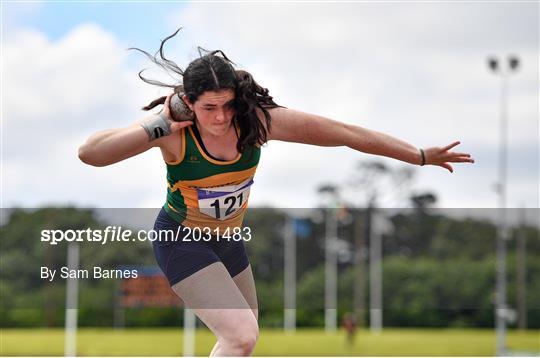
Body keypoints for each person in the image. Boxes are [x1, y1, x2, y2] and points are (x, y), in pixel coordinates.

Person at [78, 29, 474, 357]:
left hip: (228, 242)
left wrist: (418, 155)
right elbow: (90, 153)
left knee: (242, 342)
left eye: (228, 105)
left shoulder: (260, 123)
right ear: (188, 103)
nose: (220, 118)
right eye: (209, 108)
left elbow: (348, 135)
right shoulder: (173, 132)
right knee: (241, 336)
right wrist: (158, 123)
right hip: (181, 239)